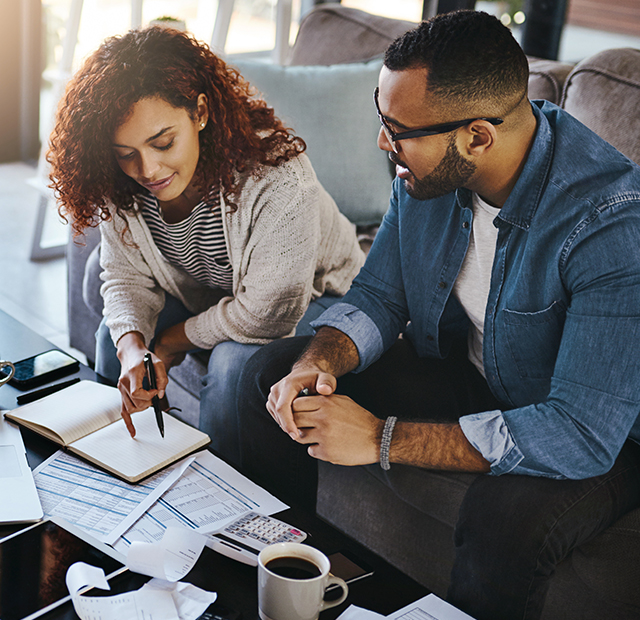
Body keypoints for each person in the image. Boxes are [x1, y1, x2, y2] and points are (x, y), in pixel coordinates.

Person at [236, 10, 640, 620]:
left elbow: (579, 432)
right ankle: (295, 587)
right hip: (476, 377)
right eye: (382, 118)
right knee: (271, 376)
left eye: (397, 129)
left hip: (600, 428)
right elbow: (380, 296)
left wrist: (379, 438)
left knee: (501, 520)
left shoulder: (610, 224)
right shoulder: (427, 171)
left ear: (478, 135)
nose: (381, 142)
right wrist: (316, 363)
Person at [47, 26, 364, 461]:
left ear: (199, 112)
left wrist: (169, 342)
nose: (148, 169)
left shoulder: (278, 178)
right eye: (127, 153)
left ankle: (235, 513)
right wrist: (134, 348)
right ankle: (118, 470)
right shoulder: (121, 180)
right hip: (217, 292)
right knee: (112, 338)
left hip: (320, 296)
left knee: (235, 367)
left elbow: (264, 315)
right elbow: (123, 274)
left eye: (163, 142)